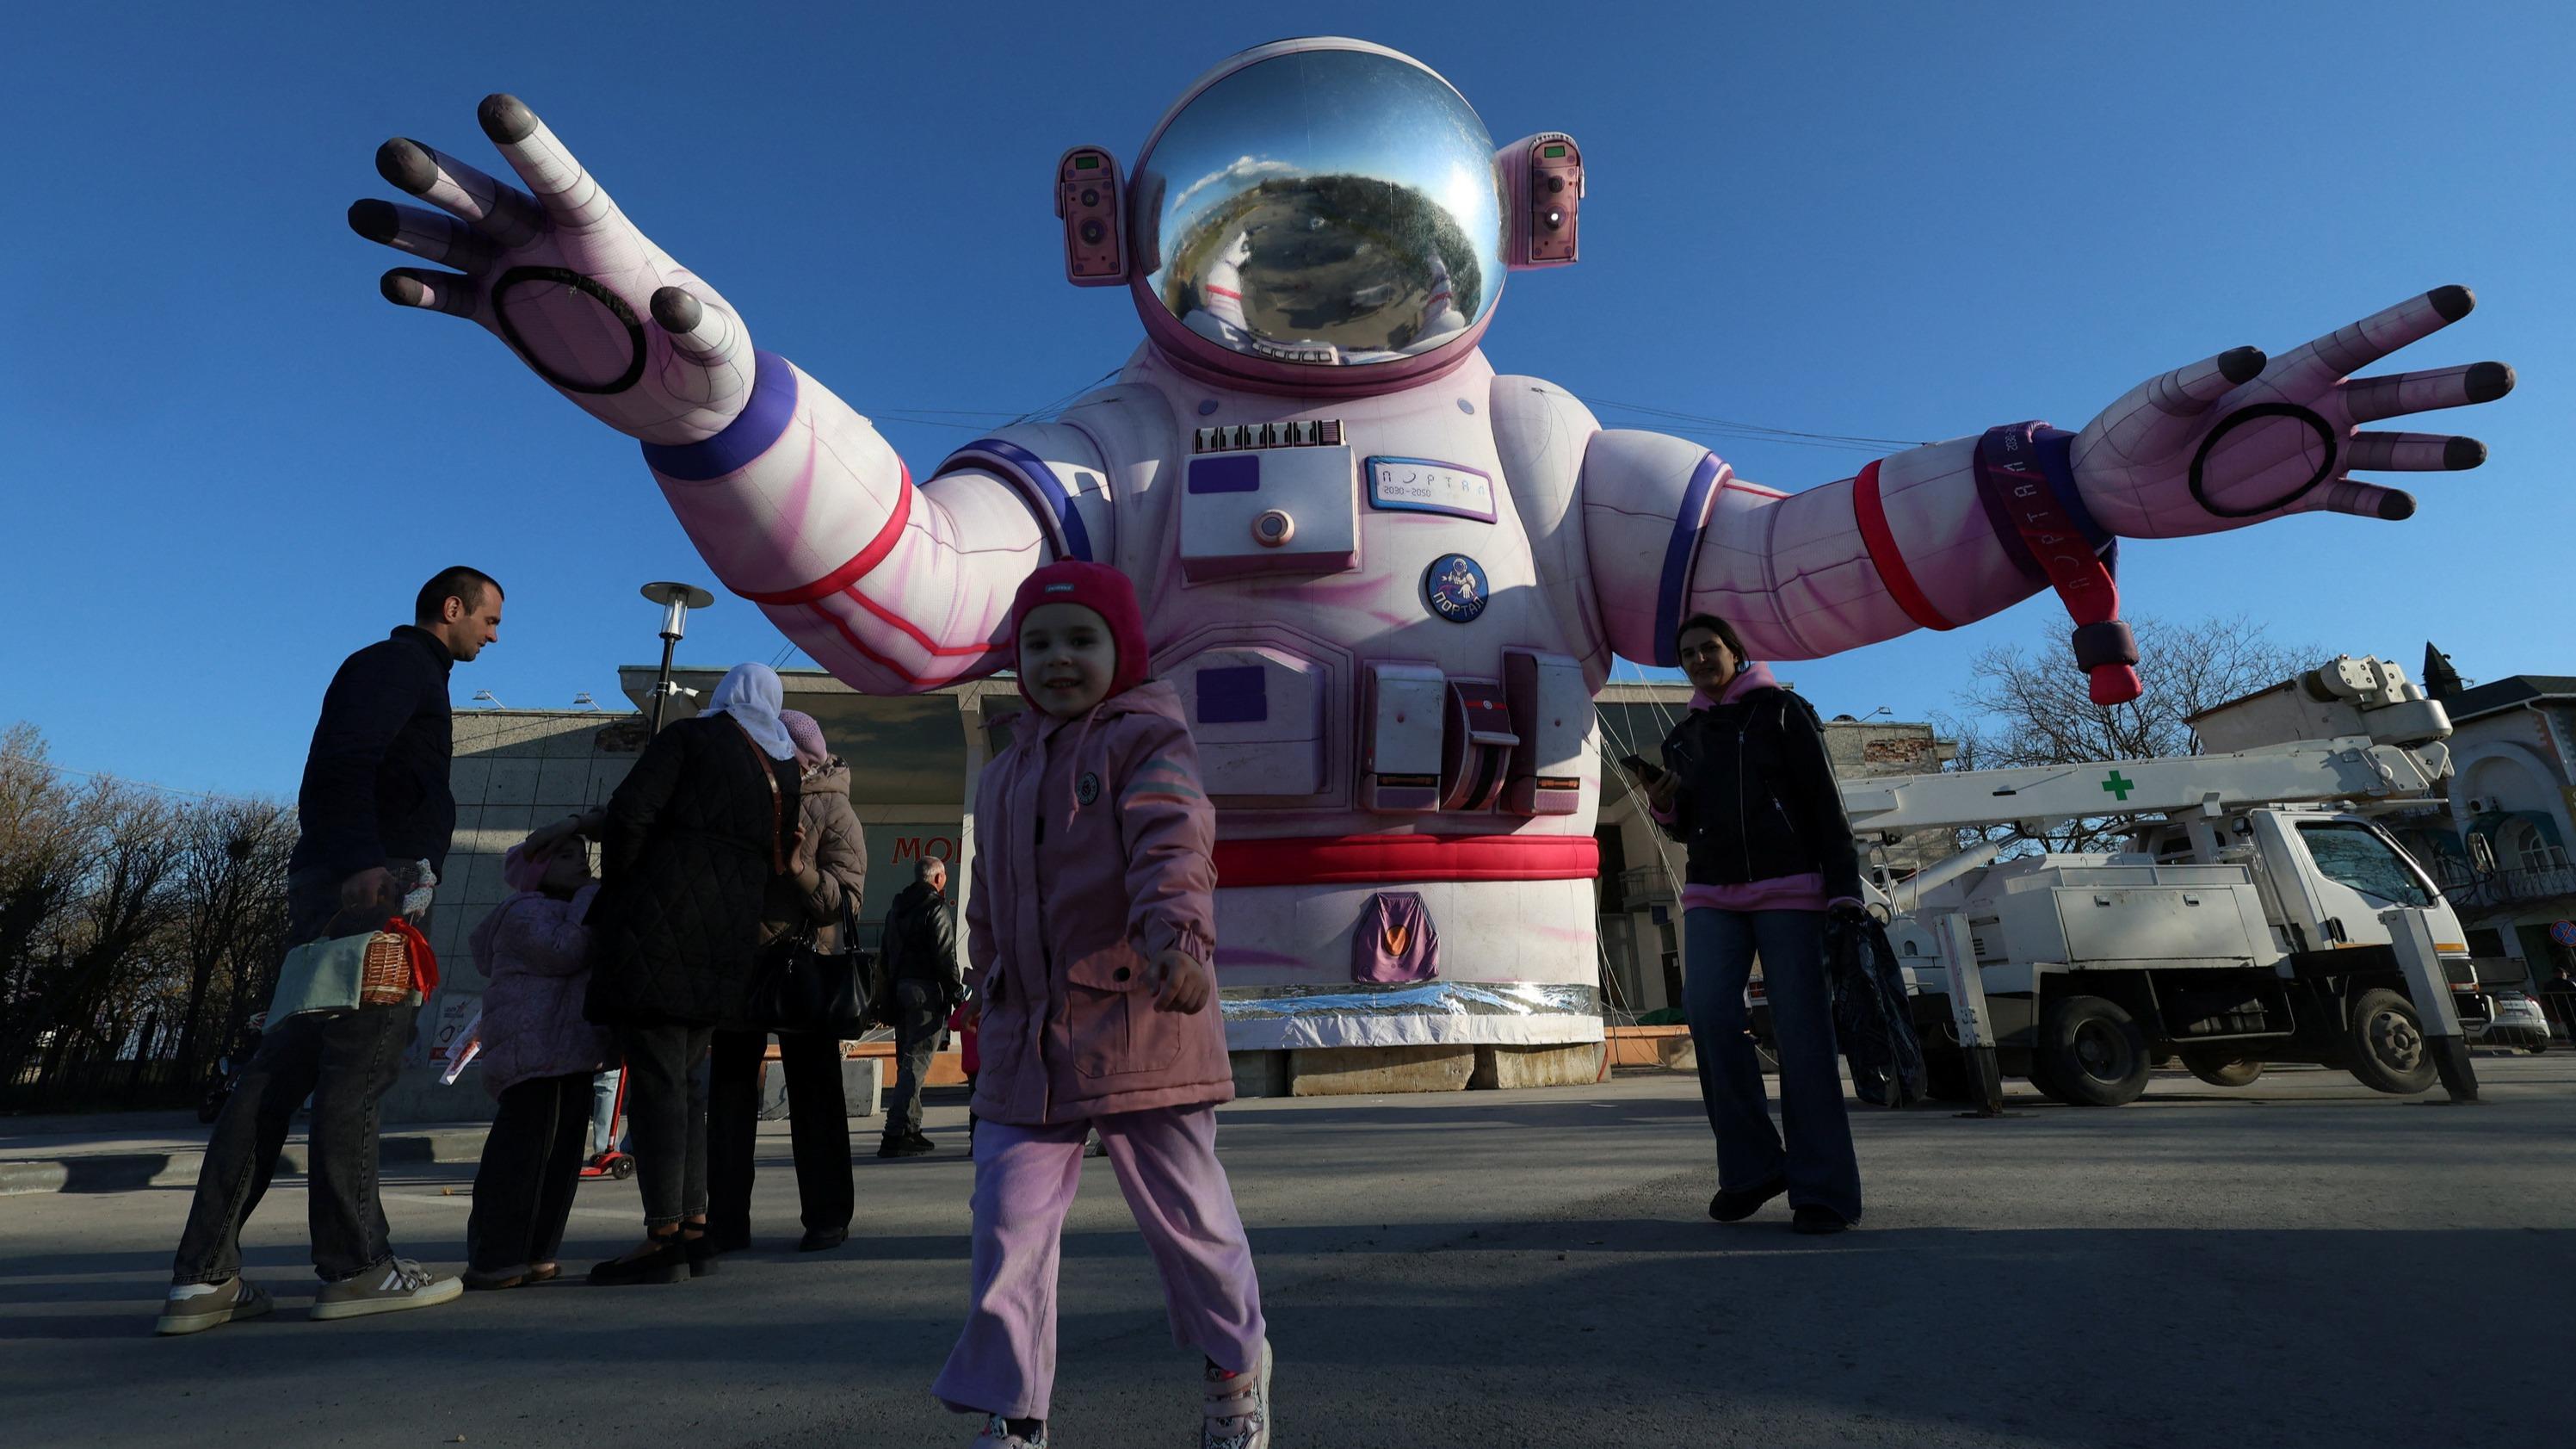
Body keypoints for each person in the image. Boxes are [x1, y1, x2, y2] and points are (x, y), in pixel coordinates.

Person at [934, 561, 1270, 1449]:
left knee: (1189, 1223)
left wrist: (1179, 941)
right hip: (1025, 1040)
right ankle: (1016, 1414)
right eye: (1037, 643)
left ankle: (1234, 1368)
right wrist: (981, 977)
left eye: (1080, 640)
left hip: (1140, 1014)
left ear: (1120, 650)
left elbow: (1173, 847)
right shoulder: (1003, 771)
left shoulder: (1145, 743)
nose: (1056, 660)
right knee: (1005, 1228)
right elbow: (986, 901)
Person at [157, 567, 501, 1335]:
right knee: (360, 1068)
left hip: (348, 877)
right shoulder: (395, 666)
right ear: (452, 609)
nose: (494, 632)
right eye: (489, 617)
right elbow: (344, 762)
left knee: (279, 1072)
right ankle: (357, 1266)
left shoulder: (405, 671)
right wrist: (362, 864)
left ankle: (202, 1278)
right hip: (373, 886)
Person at [1631, 611, 1867, 1236]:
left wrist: (1845, 891)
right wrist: (1663, 801)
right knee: (1707, 1015)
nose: (1700, 660)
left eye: (1709, 648)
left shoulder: (1784, 712)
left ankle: (1823, 1190)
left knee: (1801, 1034)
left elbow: (1823, 802)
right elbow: (1685, 823)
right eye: (1688, 654)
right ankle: (1753, 1167)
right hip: (1712, 891)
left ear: (1735, 652)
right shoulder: (1684, 736)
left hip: (1790, 886)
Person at [575, 662, 801, 1286]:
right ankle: (696, 1228)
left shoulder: (689, 739)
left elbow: (630, 814)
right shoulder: (782, 770)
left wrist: (628, 887)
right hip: (725, 945)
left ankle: (663, 1235)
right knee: (690, 1087)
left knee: (656, 1084)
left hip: (658, 931)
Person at [707, 708, 867, 1254]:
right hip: (740, 966)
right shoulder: (741, 796)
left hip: (804, 970)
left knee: (815, 1094)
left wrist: (798, 867)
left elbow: (845, 903)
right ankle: (726, 1221)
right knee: (728, 1098)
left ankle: (827, 1216)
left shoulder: (835, 809)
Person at [462, 838, 610, 1289]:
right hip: (534, 1055)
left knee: (561, 1157)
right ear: (534, 872)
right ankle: (496, 1256)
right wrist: (590, 899)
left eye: (581, 856)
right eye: (565, 857)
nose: (580, 865)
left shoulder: (562, 908)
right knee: (523, 1156)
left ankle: (539, 1252)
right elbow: (566, 952)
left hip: (566, 1052)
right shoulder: (523, 912)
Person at [880, 856, 962, 1158]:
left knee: (907, 1061)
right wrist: (956, 992)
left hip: (900, 990)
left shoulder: (896, 909)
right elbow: (944, 955)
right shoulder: (936, 908)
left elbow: (885, 956)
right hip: (926, 993)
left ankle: (911, 1129)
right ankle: (894, 1132)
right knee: (916, 1064)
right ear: (938, 879)